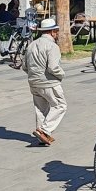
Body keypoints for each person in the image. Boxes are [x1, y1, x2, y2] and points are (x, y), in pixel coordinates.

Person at [22, 18, 67, 146]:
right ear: (52, 31)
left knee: (41, 109)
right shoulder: (52, 46)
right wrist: (61, 74)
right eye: (56, 31)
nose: (57, 34)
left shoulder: (31, 45)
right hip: (49, 82)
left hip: (33, 82)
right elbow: (53, 67)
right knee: (60, 105)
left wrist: (33, 75)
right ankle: (44, 130)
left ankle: (42, 136)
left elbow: (24, 66)